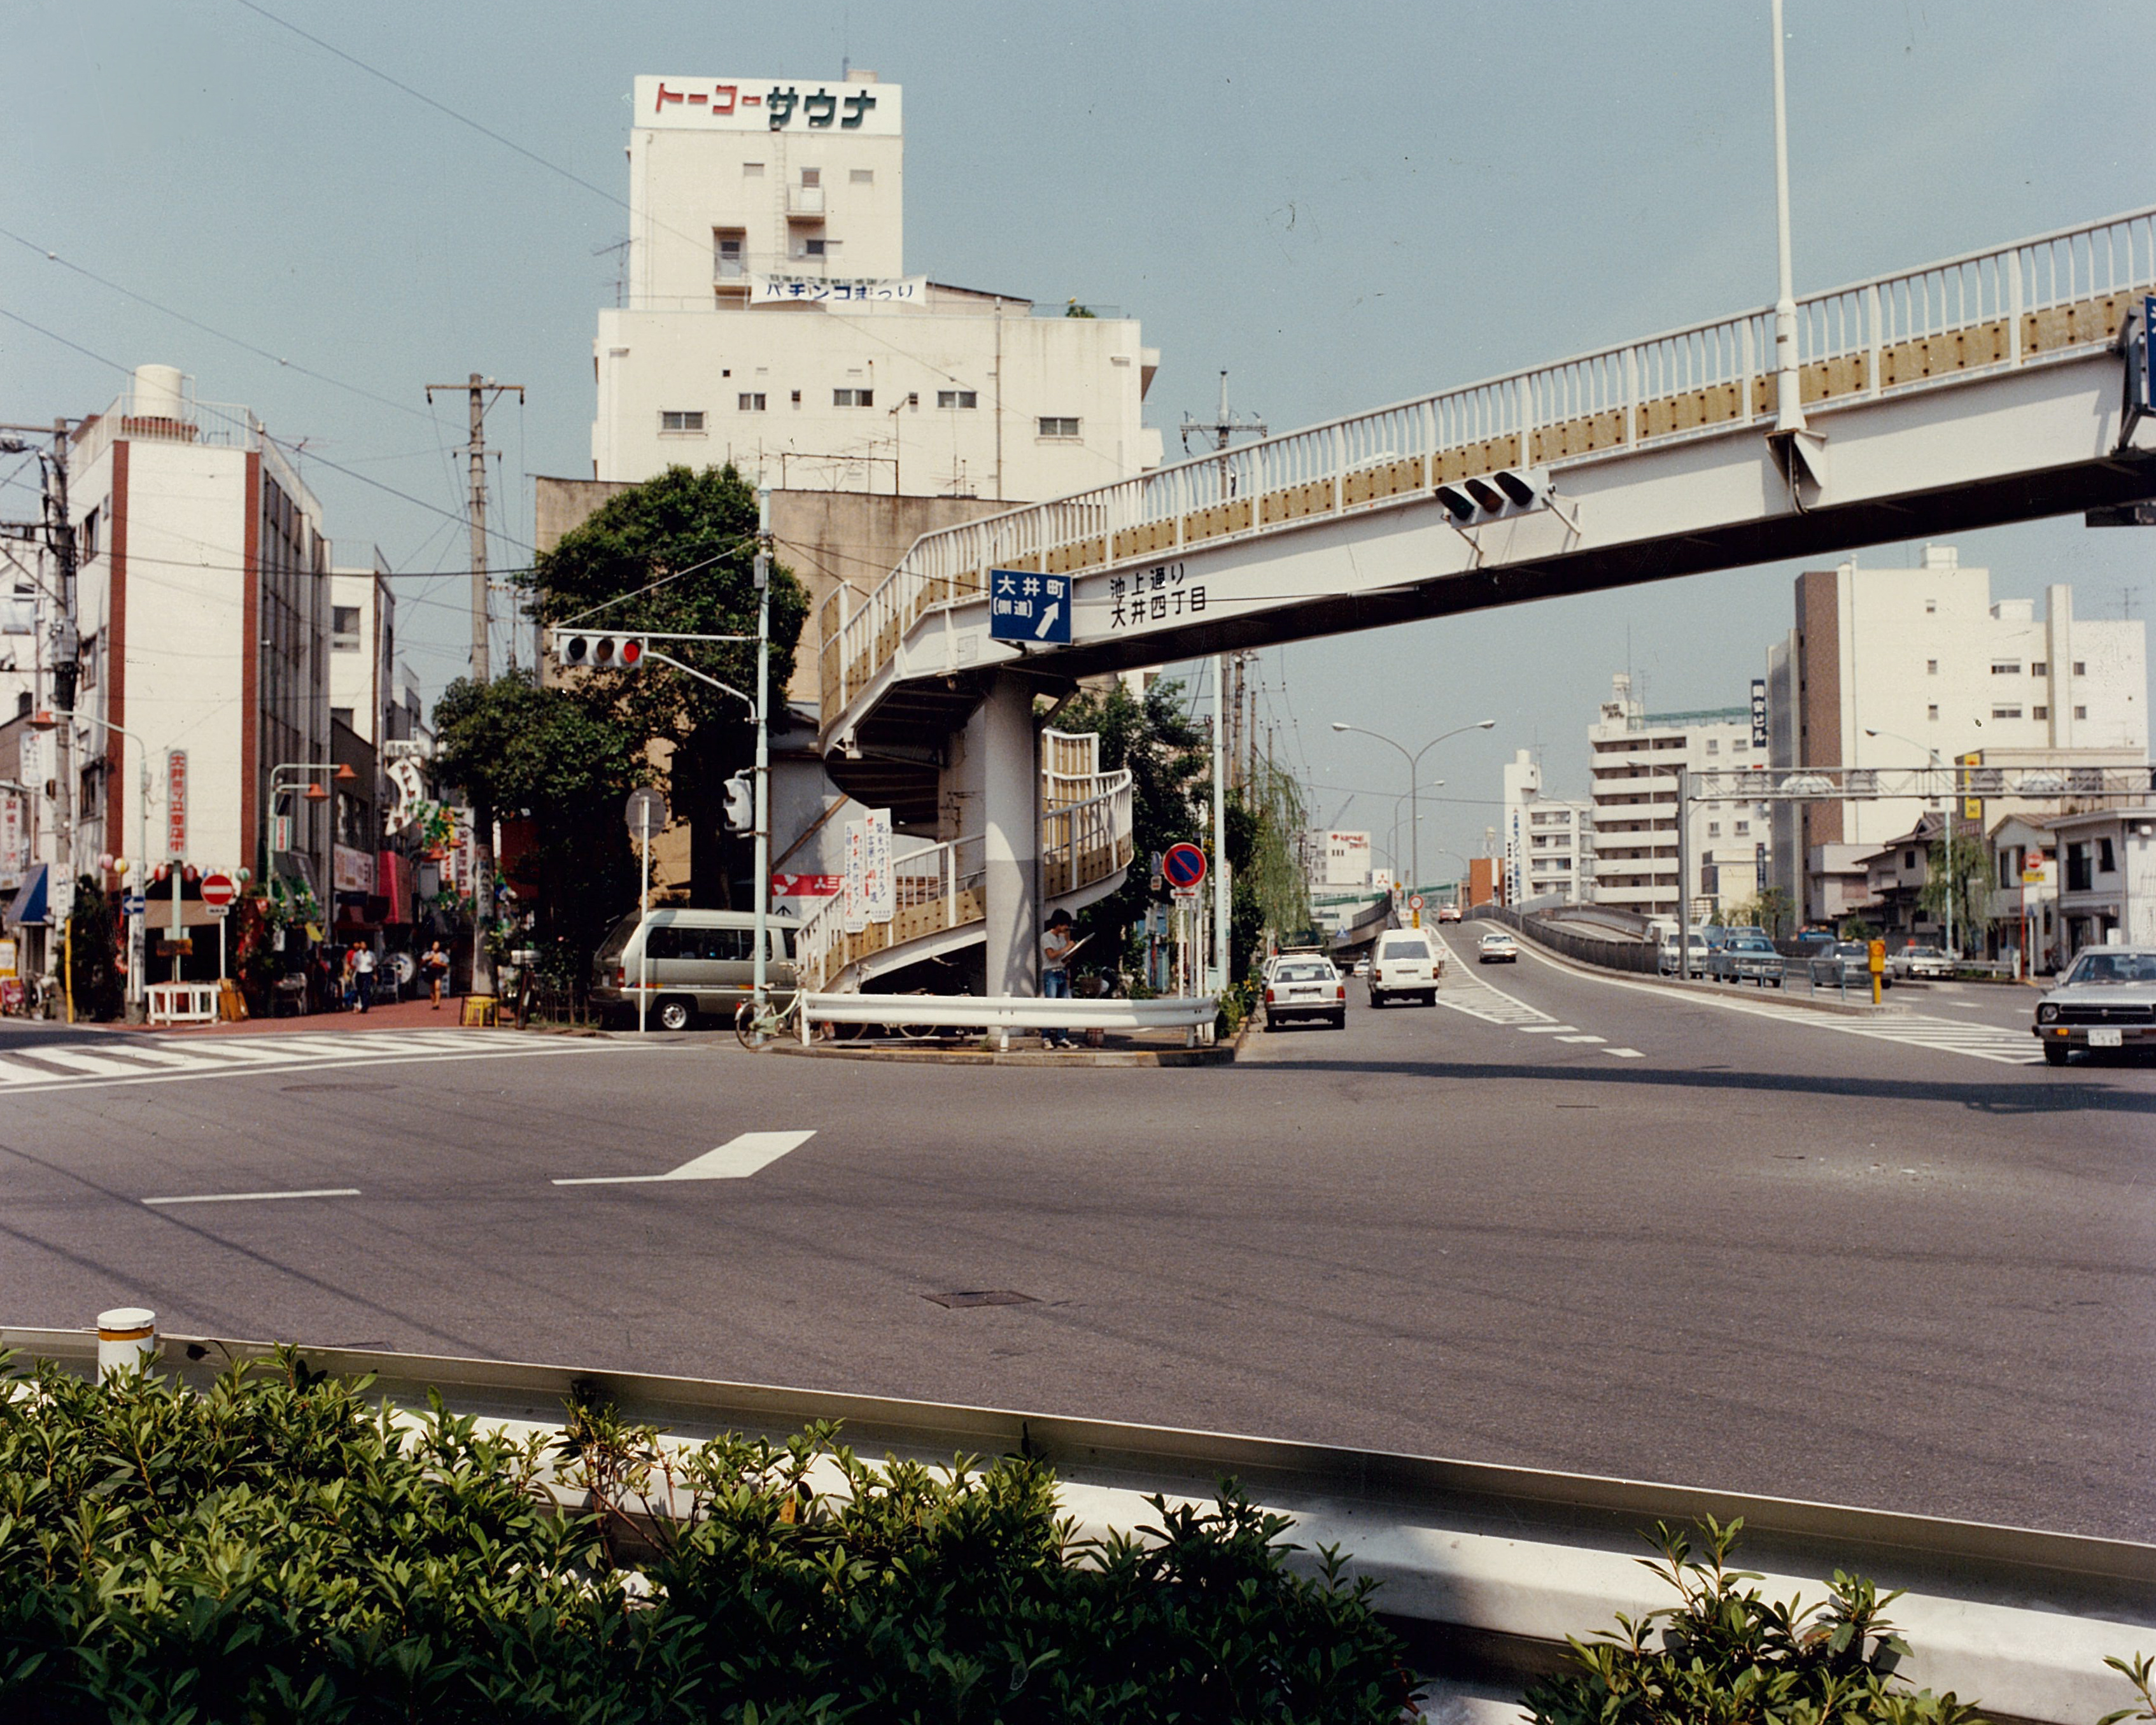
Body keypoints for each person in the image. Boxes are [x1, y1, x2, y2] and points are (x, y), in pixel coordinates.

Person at [1040, 911, 1078, 1049]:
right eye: (1065, 926)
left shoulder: (1062, 939)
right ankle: (1046, 1037)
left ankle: (1061, 1036)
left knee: (1064, 1005)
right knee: (1051, 1005)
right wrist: (1066, 948)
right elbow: (1051, 955)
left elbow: (1065, 958)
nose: (1066, 929)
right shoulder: (1046, 937)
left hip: (1062, 971)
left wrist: (1072, 949)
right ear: (1058, 924)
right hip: (1051, 973)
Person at [423, 940, 450, 1010]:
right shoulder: (428, 954)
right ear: (433, 946)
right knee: (432, 989)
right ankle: (434, 1003)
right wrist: (428, 959)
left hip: (438, 971)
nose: (436, 947)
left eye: (438, 946)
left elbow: (446, 965)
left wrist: (439, 963)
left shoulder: (442, 955)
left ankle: (438, 1003)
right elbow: (422, 962)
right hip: (430, 971)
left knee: (437, 987)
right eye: (435, 945)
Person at [353, 942, 376, 1015]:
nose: (363, 946)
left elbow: (374, 965)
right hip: (359, 973)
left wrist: (375, 974)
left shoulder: (371, 954)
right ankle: (361, 1004)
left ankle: (365, 1006)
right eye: (362, 945)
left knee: (366, 989)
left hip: (368, 973)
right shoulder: (357, 954)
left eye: (364, 944)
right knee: (360, 990)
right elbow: (354, 964)